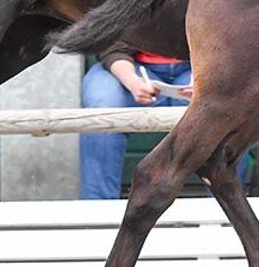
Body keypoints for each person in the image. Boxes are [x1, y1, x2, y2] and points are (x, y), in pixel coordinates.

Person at [79, 46, 193, 199]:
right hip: (130, 66)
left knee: (230, 104)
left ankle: (227, 211)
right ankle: (99, 211)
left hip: (203, 66)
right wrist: (133, 82)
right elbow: (111, 44)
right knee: (102, 105)